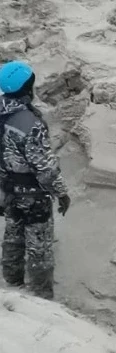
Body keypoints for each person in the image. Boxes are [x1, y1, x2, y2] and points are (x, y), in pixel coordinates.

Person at [0, 61, 70, 299]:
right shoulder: (30, 123)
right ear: (28, 88)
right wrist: (61, 192)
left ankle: (12, 286)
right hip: (33, 194)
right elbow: (44, 167)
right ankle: (40, 299)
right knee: (39, 249)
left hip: (8, 189)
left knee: (12, 239)